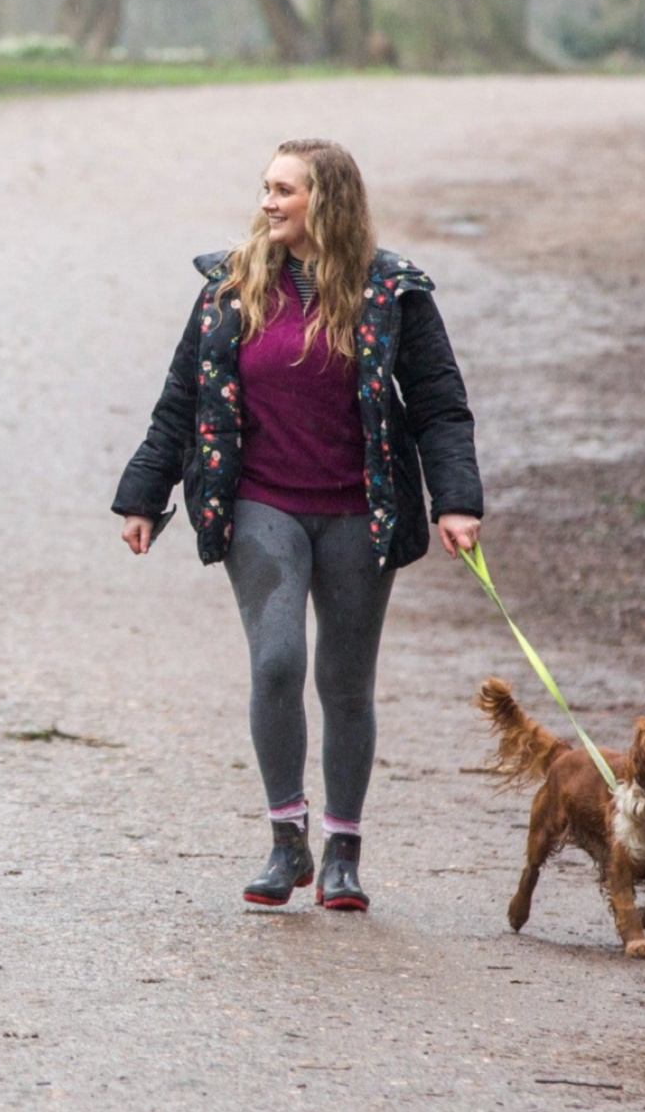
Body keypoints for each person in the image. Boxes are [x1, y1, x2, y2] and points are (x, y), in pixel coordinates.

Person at [112, 139, 481, 913]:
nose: (268, 202)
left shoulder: (393, 292)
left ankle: (344, 849)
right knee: (277, 659)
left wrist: (456, 501)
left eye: (285, 190)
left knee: (346, 683)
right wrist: (144, 495)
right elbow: (182, 397)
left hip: (358, 507)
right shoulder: (231, 286)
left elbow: (441, 405)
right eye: (266, 188)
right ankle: (287, 841)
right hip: (259, 501)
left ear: (328, 201)